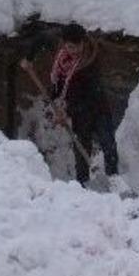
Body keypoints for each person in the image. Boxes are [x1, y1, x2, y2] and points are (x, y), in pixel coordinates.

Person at [46, 23, 119, 186]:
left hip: (98, 108)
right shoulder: (61, 61)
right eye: (69, 46)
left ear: (83, 42)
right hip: (79, 113)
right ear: (64, 44)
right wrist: (57, 104)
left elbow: (87, 93)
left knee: (108, 144)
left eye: (76, 46)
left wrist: (67, 111)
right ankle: (82, 184)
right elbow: (58, 87)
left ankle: (114, 181)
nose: (73, 50)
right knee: (81, 149)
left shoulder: (90, 60)